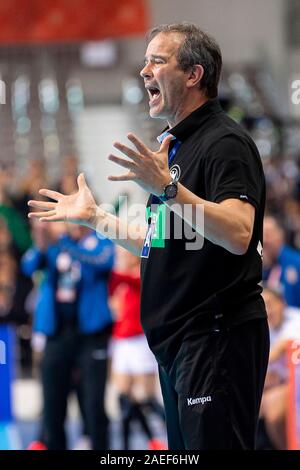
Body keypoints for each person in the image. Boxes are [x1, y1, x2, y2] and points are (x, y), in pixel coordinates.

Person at [28, 22, 269, 450]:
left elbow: (238, 233)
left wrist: (169, 190)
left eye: (157, 61)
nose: (144, 71)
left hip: (215, 339)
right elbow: (159, 238)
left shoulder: (226, 143)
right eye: (144, 61)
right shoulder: (175, 148)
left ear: (194, 75)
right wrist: (97, 219)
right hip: (180, 345)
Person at [22, 221, 114, 450]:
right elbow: (29, 266)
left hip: (91, 334)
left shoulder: (100, 241)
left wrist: (63, 241)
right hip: (58, 333)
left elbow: (102, 261)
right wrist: (41, 242)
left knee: (93, 404)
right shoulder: (54, 247)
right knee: (53, 404)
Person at [109, 247, 166, 450]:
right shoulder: (121, 278)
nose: (122, 257)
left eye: (125, 252)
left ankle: (170, 431)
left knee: (146, 397)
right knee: (124, 398)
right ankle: (133, 444)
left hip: (140, 339)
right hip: (121, 340)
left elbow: (136, 283)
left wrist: (115, 271)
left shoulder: (142, 271)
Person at [260, 287, 300, 449]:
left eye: (270, 304)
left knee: (272, 406)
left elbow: (284, 347)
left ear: (282, 302)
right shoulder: (265, 328)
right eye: (263, 307)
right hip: (282, 384)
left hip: (296, 386)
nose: (268, 311)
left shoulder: (296, 319)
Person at [263, 214, 300, 308]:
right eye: (261, 235)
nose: (264, 240)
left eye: (268, 234)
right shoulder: (263, 266)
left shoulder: (296, 262)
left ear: (280, 235)